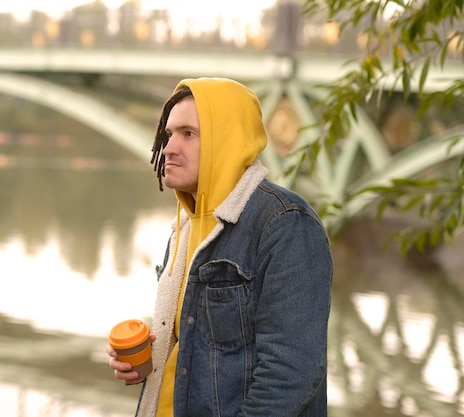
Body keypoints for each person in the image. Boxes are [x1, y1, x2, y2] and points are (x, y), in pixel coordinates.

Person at [107, 77, 333, 417]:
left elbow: (290, 373)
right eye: (169, 134)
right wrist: (147, 364)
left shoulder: (285, 224)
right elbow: (200, 346)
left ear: (226, 140)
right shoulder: (184, 227)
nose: (168, 147)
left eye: (188, 134)